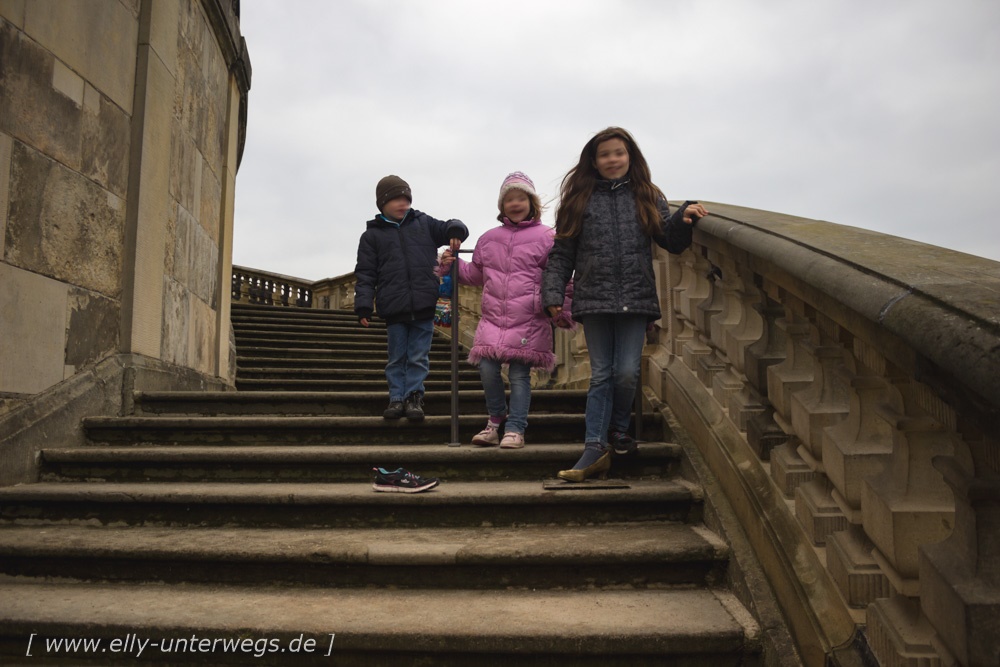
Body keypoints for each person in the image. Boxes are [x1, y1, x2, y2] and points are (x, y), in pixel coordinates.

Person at [541, 128, 708, 481]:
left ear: (630, 157)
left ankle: (617, 429)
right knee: (602, 373)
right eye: (605, 155)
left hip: (635, 295)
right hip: (594, 297)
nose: (612, 160)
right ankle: (594, 446)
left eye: (619, 153)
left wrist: (683, 218)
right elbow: (562, 253)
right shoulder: (578, 199)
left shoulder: (647, 195)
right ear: (594, 161)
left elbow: (672, 242)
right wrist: (553, 294)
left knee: (627, 372)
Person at [439, 172, 573, 448]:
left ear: (531, 202)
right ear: (502, 206)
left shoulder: (548, 237)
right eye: (509, 199)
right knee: (487, 369)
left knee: (519, 374)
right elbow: (476, 275)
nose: (515, 203)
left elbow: (561, 277)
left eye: (520, 198)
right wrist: (451, 265)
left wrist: (562, 309)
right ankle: (495, 420)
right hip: (493, 319)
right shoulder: (489, 239)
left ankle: (515, 428)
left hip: (529, 318)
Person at [354, 175, 469, 420]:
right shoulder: (371, 237)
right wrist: (363, 305)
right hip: (394, 307)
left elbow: (451, 224)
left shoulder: (423, 223)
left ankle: (414, 396)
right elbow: (365, 273)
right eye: (396, 199)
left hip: (425, 303)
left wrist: (456, 231)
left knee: (418, 356)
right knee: (397, 357)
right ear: (382, 204)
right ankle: (396, 397)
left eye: (406, 198)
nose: (402, 203)